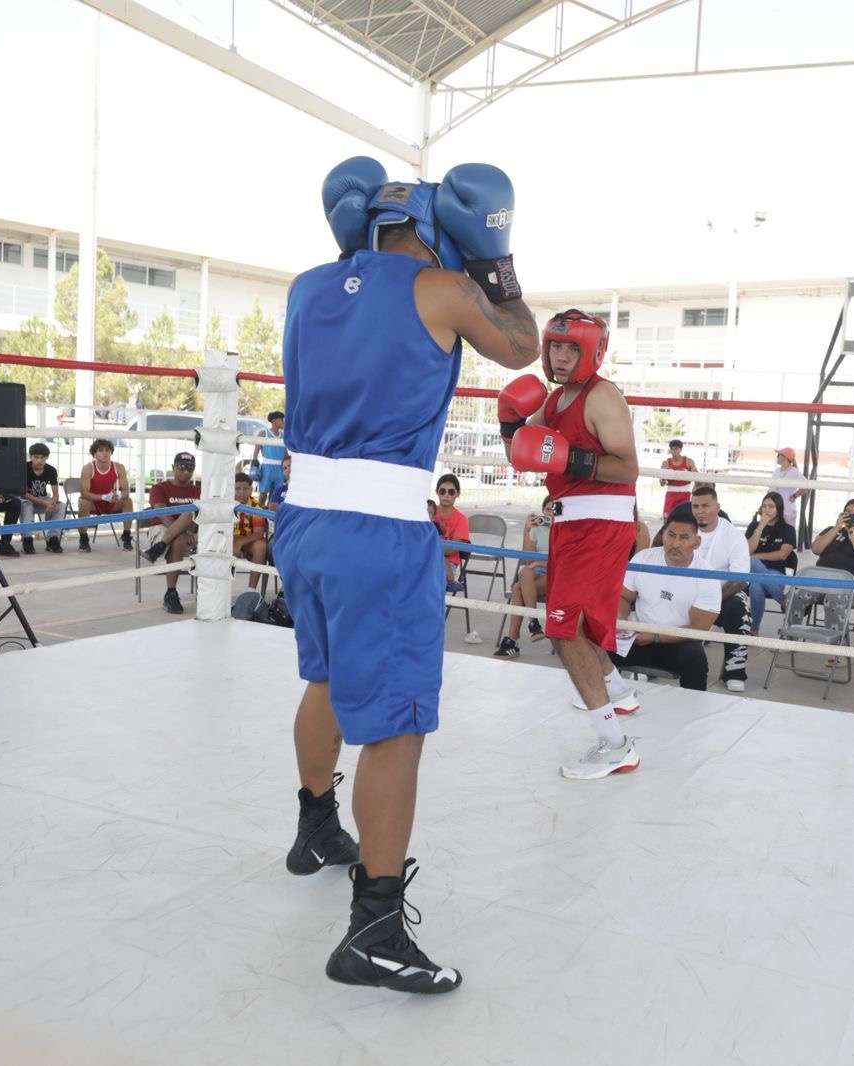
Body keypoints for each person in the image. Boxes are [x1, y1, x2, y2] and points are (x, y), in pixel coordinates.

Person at [273, 156, 539, 994]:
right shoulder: (447, 291)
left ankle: (317, 825)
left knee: (323, 675)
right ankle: (375, 928)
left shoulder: (306, 287)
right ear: (443, 233)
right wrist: (494, 264)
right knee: (395, 726)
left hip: (303, 522)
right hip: (380, 532)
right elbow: (526, 348)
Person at [501, 308, 642, 776]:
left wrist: (573, 459)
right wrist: (509, 422)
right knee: (572, 624)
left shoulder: (603, 398)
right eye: (555, 347)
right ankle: (618, 694)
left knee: (565, 631)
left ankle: (616, 745)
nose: (560, 357)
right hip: (570, 524)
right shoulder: (558, 400)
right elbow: (521, 453)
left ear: (591, 353)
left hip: (600, 523)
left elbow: (627, 469)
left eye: (570, 348)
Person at [613, 503, 722, 690]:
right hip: (638, 638)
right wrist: (621, 622)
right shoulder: (643, 559)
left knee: (695, 659)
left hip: (678, 643)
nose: (675, 543)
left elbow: (699, 628)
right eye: (671, 535)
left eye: (684, 537)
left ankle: (693, 715)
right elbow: (623, 597)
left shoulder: (707, 575)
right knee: (599, 643)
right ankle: (599, 702)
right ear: (663, 535)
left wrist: (655, 636)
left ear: (696, 543)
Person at [688, 483, 753, 692]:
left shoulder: (733, 535)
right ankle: (654, 660)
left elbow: (741, 578)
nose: (700, 511)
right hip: (686, 591)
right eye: (696, 506)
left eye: (706, 505)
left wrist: (711, 599)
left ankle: (734, 670)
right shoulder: (684, 529)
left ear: (717, 506)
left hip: (722, 595)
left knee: (739, 607)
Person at [143, 452, 201, 614]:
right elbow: (162, 514)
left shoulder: (198, 491)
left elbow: (199, 518)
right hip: (161, 528)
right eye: (181, 467)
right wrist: (179, 532)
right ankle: (171, 593)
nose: (185, 472)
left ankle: (159, 550)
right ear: (173, 467)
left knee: (192, 511)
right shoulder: (159, 488)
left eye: (190, 468)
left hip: (189, 532)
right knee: (178, 539)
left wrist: (186, 530)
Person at [494, 495, 551, 657]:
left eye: (554, 510)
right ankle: (533, 622)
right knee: (524, 573)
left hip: (556, 575)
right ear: (542, 511)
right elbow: (528, 558)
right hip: (536, 574)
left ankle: (513, 641)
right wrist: (527, 529)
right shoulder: (537, 529)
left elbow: (563, 559)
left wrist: (540, 563)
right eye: (547, 509)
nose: (551, 514)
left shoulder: (564, 530)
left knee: (518, 588)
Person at [744, 491, 797, 635]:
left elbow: (782, 554)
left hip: (777, 573)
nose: (766, 509)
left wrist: (757, 557)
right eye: (764, 506)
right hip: (752, 573)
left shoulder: (788, 529)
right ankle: (784, 602)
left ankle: (754, 629)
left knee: (756, 582)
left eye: (771, 506)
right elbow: (747, 550)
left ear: (778, 509)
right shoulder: (754, 526)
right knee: (754, 577)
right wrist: (760, 527)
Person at [77, 438, 132, 552]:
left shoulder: (119, 467)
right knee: (83, 502)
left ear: (111, 452)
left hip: (111, 502)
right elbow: (84, 493)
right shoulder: (88, 468)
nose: (105, 453)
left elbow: (126, 490)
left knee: (128, 501)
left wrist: (120, 496)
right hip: (94, 503)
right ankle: (83, 538)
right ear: (94, 454)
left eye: (107, 450)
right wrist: (103, 497)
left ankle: (126, 535)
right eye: (100, 450)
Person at [810, 498, 854, 580]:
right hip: (823, 579)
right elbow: (815, 549)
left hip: (852, 585)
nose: (851, 514)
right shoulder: (830, 530)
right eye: (847, 511)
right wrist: (836, 528)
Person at [19, 442, 64, 555]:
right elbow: (24, 493)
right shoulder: (23, 468)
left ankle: (52, 539)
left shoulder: (51, 470)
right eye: (36, 457)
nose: (39, 460)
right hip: (28, 499)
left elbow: (55, 493)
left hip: (44, 499)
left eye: (42, 457)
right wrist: (45, 503)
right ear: (31, 457)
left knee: (61, 506)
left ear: (46, 458)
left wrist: (53, 503)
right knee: (26, 505)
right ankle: (27, 540)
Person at [232, 472, 268, 590]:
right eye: (237, 489)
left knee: (261, 546)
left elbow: (259, 532)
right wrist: (233, 542)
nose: (241, 492)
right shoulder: (225, 504)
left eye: (245, 489)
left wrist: (240, 542)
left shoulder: (255, 506)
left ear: (251, 490)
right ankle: (220, 590)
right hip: (227, 539)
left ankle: (251, 591)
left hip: (248, 541)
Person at [432, 473, 470, 582]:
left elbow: (451, 549)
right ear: (437, 492)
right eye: (442, 491)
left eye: (451, 492)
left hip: (449, 564)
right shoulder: (429, 512)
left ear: (457, 494)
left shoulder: (462, 519)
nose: (446, 495)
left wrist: (428, 549)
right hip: (426, 558)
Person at [249, 410, 287, 500]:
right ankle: (258, 513)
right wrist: (254, 462)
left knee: (275, 495)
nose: (283, 422)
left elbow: (285, 452)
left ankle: (269, 513)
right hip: (267, 468)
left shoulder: (283, 435)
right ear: (274, 421)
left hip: (280, 469)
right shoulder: (263, 433)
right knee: (263, 494)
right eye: (281, 419)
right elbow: (256, 449)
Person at [771, 447, 806, 534]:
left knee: (788, 535)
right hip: (774, 509)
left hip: (788, 510)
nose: (777, 457)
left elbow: (806, 486)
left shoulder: (794, 472)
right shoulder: (776, 471)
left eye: (778, 455)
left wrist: (795, 496)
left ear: (785, 457)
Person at [659, 438, 697, 517]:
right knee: (667, 518)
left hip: (685, 493)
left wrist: (695, 489)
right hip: (671, 493)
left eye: (676, 449)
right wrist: (664, 477)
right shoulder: (666, 463)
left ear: (680, 449)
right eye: (672, 449)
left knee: (684, 518)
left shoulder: (688, 462)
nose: (674, 451)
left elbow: (696, 477)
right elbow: (662, 483)